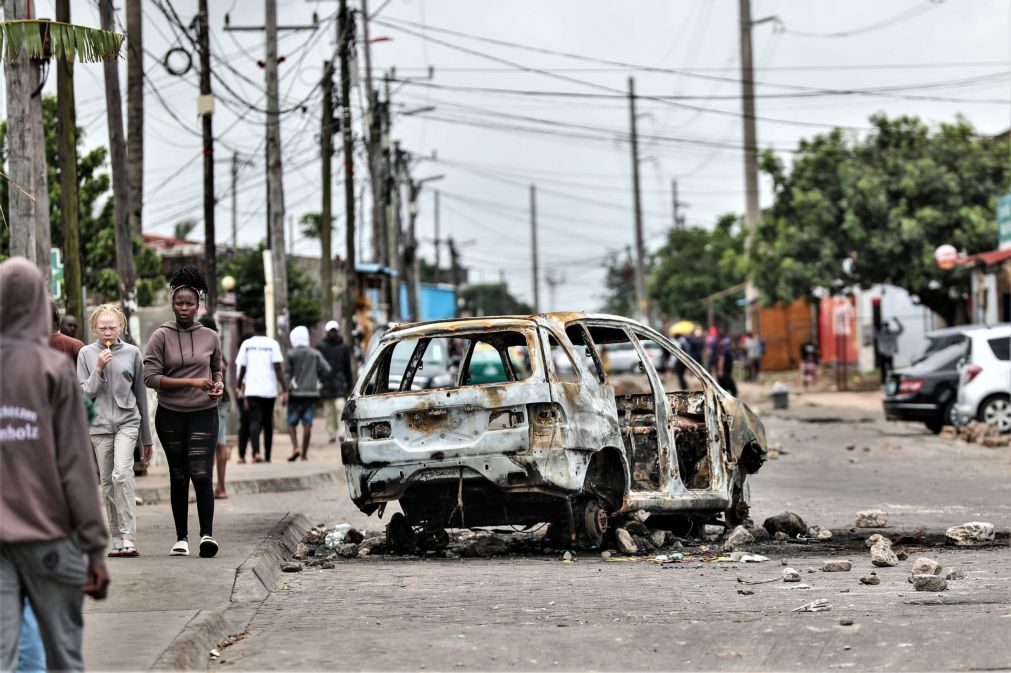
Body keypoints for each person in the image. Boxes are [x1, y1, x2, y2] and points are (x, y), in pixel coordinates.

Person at [1, 257, 110, 671]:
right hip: (48, 537)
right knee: (64, 657)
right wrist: (95, 549)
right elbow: (75, 467)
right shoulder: (53, 370)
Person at [143, 265, 224, 558]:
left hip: (204, 412)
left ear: (198, 305)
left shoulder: (210, 336)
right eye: (179, 303)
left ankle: (207, 536)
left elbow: (217, 369)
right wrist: (191, 381)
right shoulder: (160, 337)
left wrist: (218, 385)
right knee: (179, 475)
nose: (184, 308)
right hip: (171, 414)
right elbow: (149, 378)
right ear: (172, 304)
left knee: (202, 474)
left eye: (190, 303)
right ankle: (181, 538)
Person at [78, 304, 154, 557]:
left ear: (120, 326)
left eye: (112, 327)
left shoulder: (132, 352)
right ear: (94, 329)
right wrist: (98, 368)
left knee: (122, 474)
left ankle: (129, 537)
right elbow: (84, 394)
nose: (107, 332)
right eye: (102, 328)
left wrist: (147, 438)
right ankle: (117, 538)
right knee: (107, 483)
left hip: (127, 422)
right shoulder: (86, 354)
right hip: (99, 427)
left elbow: (141, 396)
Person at [235, 318, 286, 463]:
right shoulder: (273, 344)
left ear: (253, 329)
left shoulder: (247, 344)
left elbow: (242, 368)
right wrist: (285, 389)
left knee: (255, 421)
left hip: (252, 389)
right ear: (266, 328)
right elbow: (278, 368)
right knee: (268, 422)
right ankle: (268, 456)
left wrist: (239, 387)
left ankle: (256, 453)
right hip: (269, 390)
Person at [283, 326, 331, 461]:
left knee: (291, 423)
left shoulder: (291, 354)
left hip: (295, 393)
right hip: (311, 393)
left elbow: (286, 374)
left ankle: (295, 448)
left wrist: (285, 391)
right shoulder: (315, 353)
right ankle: (304, 454)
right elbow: (327, 369)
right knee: (307, 423)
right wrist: (318, 379)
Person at [199, 316, 232, 499]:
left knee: (212, 445)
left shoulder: (208, 347)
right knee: (219, 444)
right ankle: (219, 487)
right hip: (222, 400)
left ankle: (214, 488)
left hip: (214, 402)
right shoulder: (217, 347)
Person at [315, 320, 353, 444]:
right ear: (327, 332)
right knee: (328, 411)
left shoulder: (343, 347)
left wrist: (349, 384)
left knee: (340, 408)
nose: (333, 333)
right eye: (331, 331)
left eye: (334, 330)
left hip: (339, 383)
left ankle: (341, 433)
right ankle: (331, 433)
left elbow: (348, 367)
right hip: (326, 383)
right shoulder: (320, 347)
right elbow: (318, 367)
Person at [234, 331, 254, 463]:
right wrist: (245, 397)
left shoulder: (241, 355)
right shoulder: (246, 356)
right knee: (248, 425)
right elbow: (244, 378)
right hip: (245, 395)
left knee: (246, 425)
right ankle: (244, 454)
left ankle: (243, 454)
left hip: (242, 394)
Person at [875, 318, 904, 385]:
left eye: (886, 325)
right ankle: (883, 382)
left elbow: (901, 329)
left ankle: (892, 381)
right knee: (883, 370)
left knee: (891, 370)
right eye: (884, 325)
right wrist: (877, 324)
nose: (885, 327)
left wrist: (897, 321)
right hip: (882, 354)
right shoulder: (880, 334)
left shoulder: (893, 333)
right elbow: (874, 332)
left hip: (890, 354)